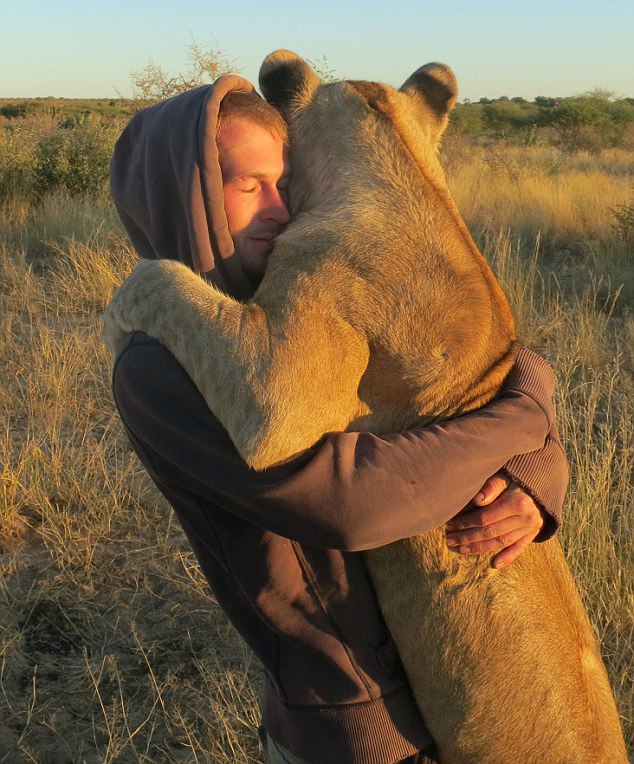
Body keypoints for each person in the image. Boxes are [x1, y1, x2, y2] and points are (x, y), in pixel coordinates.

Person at [108, 75, 569, 764]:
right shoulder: (157, 365)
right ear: (183, 193)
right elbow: (351, 504)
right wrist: (523, 418)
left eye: (284, 181)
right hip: (354, 726)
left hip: (451, 686)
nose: (279, 208)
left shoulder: (288, 302)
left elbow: (456, 379)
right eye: (245, 184)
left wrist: (538, 474)